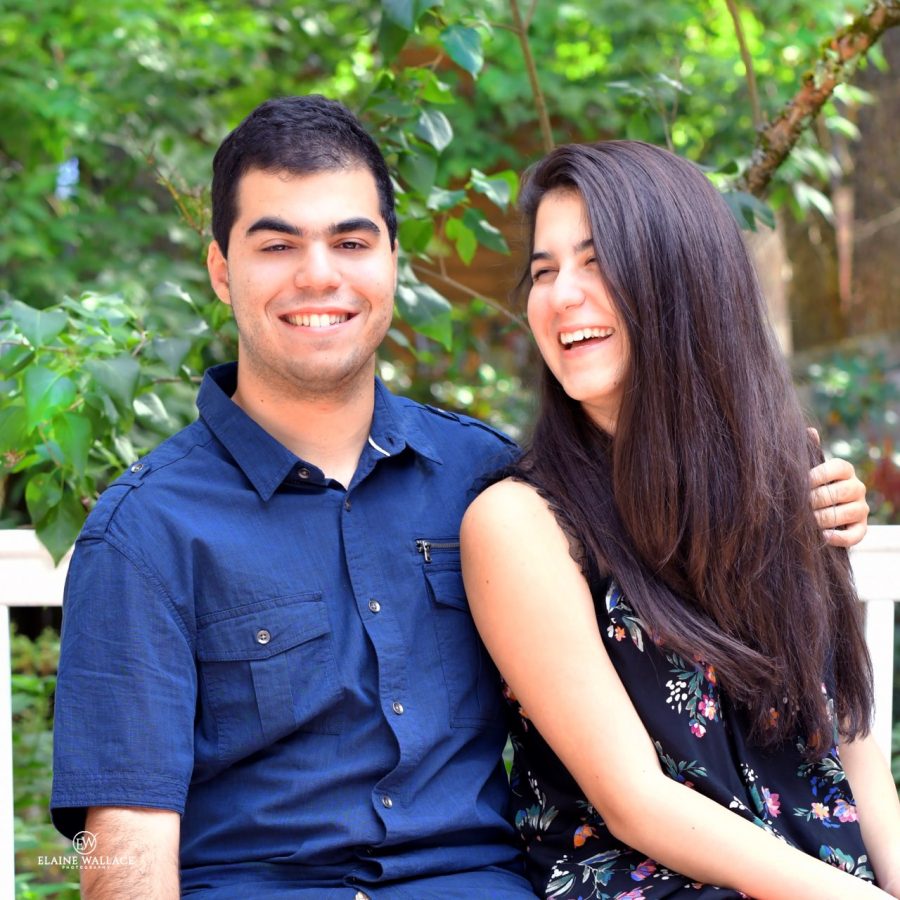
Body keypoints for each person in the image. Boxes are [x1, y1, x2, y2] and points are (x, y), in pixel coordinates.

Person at [50, 98, 869, 899]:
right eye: (277, 245)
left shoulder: (484, 475)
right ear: (222, 272)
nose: (318, 274)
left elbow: (661, 540)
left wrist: (810, 502)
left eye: (351, 240)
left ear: (393, 265)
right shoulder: (145, 532)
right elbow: (123, 855)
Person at [460, 140, 900, 900]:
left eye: (596, 262)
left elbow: (853, 752)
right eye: (544, 270)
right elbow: (638, 803)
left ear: (682, 280)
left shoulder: (790, 475)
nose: (562, 294)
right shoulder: (520, 523)